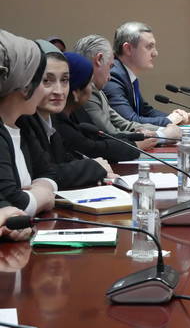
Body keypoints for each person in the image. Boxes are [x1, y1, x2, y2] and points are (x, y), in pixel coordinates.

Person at [16, 49, 113, 188]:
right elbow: (44, 172)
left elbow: (63, 160)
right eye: (47, 81)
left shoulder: (53, 118)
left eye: (64, 80)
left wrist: (98, 168)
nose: (59, 91)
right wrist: (94, 167)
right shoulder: (23, 121)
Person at [75, 34, 180, 149]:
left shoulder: (97, 90)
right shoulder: (86, 91)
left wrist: (164, 129)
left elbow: (124, 124)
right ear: (99, 60)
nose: (109, 77)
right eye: (110, 67)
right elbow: (110, 134)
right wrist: (161, 135)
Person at [0, 31, 57, 216]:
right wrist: (44, 196)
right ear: (26, 87)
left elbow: (49, 173)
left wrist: (38, 191)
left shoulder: (22, 124)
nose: (46, 91)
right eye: (44, 81)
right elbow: (16, 204)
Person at [53, 52, 140, 162]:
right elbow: (91, 148)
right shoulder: (58, 122)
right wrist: (135, 146)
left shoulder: (76, 111)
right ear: (76, 92)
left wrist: (136, 137)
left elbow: (98, 137)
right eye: (90, 83)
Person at [102, 22, 190, 126]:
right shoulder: (113, 76)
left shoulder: (125, 74)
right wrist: (169, 120)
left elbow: (145, 111)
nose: (155, 53)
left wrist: (175, 117)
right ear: (128, 49)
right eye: (149, 47)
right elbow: (129, 121)